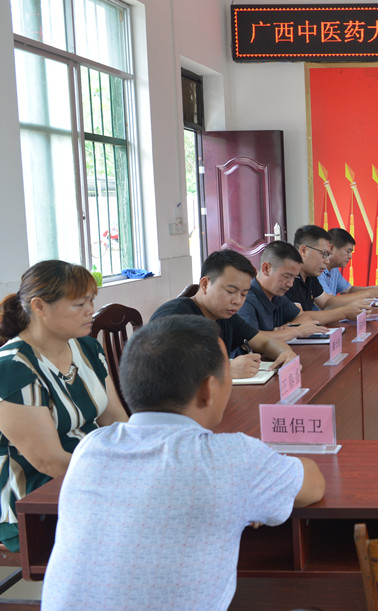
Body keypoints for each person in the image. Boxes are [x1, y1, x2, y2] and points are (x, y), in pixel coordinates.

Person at [41, 315, 325, 609]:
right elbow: (313, 485)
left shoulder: (90, 449)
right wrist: (251, 489)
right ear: (207, 389)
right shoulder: (232, 458)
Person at [0, 260, 128, 551]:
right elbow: (49, 461)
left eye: (91, 301)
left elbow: (115, 420)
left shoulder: (88, 348)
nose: (90, 310)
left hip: (89, 471)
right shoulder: (13, 368)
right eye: (79, 304)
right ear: (39, 306)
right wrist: (116, 480)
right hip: (34, 492)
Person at [150, 250, 296, 379]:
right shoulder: (173, 317)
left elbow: (265, 342)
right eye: (230, 292)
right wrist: (225, 371)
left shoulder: (226, 317)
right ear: (205, 284)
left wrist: (286, 353)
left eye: (244, 294)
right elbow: (162, 370)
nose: (238, 301)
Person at [236, 241, 330, 342]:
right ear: (266, 268)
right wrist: (296, 331)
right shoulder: (246, 298)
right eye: (286, 276)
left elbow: (303, 316)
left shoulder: (277, 296)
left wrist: (284, 330)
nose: (290, 284)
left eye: (294, 278)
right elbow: (251, 339)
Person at [286, 225, 373, 318]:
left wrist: (367, 296)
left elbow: (326, 302)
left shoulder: (310, 276)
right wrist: (344, 312)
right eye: (324, 254)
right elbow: (299, 317)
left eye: (328, 255)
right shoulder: (288, 276)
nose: (327, 261)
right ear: (303, 251)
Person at [319, 228, 378, 298]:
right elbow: (328, 301)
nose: (350, 256)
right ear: (331, 249)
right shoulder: (318, 271)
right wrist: (368, 293)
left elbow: (348, 290)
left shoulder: (334, 269)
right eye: (348, 252)